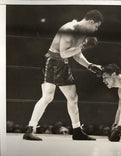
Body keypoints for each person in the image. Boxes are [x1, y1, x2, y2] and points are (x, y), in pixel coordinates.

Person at [23, 9, 104, 141]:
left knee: (73, 97)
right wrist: (83, 45)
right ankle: (30, 129)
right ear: (91, 21)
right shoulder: (69, 29)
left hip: (63, 63)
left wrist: (89, 65)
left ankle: (77, 131)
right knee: (47, 97)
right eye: (96, 26)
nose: (95, 29)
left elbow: (76, 54)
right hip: (52, 61)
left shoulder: (83, 33)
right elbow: (64, 53)